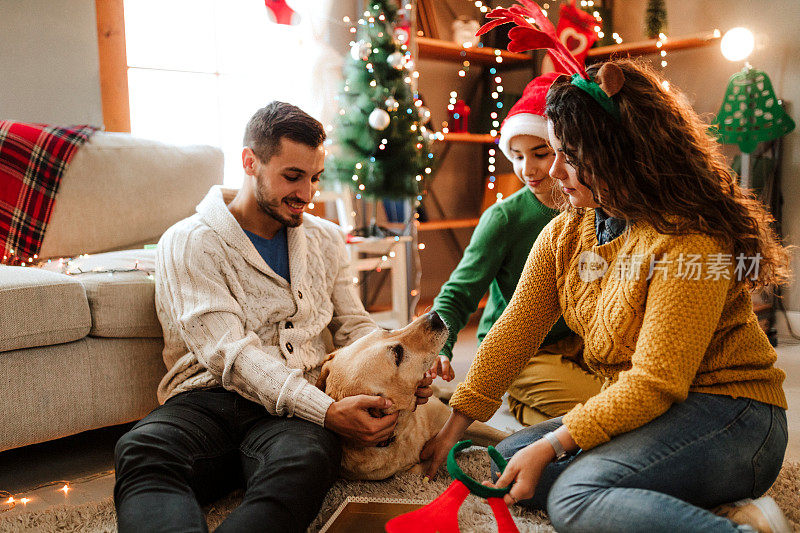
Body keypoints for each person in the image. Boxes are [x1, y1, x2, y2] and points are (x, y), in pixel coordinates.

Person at [421, 59, 791, 533]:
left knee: (575, 496)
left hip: (735, 415)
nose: (553, 171)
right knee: (503, 465)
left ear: (619, 154)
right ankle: (715, 506)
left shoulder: (687, 239)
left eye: (568, 156)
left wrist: (553, 444)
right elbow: (513, 333)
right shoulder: (566, 233)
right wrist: (453, 426)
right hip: (661, 412)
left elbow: (656, 381)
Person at [114, 101, 434, 533]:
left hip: (290, 415)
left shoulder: (325, 238)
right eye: (292, 176)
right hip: (206, 401)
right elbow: (231, 355)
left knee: (309, 460)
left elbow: (354, 326)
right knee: (142, 450)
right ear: (251, 162)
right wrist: (326, 412)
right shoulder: (189, 242)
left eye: (315, 177)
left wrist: (410, 361)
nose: (307, 193)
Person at [430, 72, 602, 426]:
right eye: (517, 156)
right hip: (520, 351)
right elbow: (459, 292)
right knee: (605, 404)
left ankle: (530, 410)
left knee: (628, 397)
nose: (528, 169)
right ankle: (522, 394)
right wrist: (439, 348)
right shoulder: (504, 219)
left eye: (541, 153)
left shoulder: (592, 210)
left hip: (581, 343)